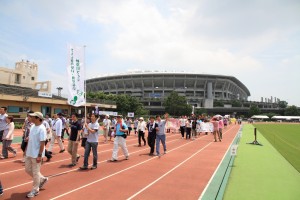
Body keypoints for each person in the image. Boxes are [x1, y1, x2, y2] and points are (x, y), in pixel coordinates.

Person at [25, 112, 48, 198]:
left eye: (33, 117)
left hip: (36, 154)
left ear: (38, 118)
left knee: (35, 173)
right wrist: (28, 138)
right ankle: (42, 179)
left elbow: (42, 143)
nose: (31, 117)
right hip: (29, 152)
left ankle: (35, 190)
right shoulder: (32, 126)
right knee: (27, 169)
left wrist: (39, 155)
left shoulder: (42, 129)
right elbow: (32, 137)